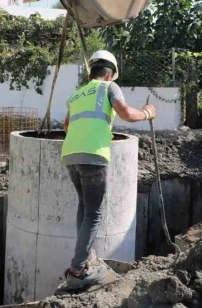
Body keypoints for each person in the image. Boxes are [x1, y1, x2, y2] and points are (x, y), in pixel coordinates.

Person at [60, 50, 156, 289]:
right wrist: (147, 113)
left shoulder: (77, 93)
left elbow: (67, 125)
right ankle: (78, 270)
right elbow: (126, 113)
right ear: (110, 74)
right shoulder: (108, 87)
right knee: (94, 212)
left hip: (71, 155)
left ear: (91, 70)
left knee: (85, 206)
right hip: (94, 156)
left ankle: (86, 256)